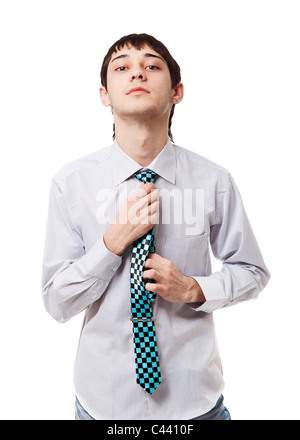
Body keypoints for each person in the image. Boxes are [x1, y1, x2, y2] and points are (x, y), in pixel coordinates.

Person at [42, 33, 270, 420]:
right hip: (103, 405)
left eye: (152, 66)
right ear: (104, 95)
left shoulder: (213, 181)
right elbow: (57, 302)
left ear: (177, 91)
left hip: (195, 404)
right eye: (122, 67)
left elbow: (253, 271)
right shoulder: (71, 184)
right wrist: (110, 245)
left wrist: (195, 288)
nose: (137, 73)